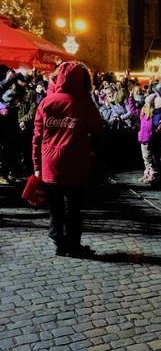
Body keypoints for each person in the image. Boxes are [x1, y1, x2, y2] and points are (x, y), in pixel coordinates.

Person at [32, 62, 103, 257]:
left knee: (55, 206)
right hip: (75, 162)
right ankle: (72, 244)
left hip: (50, 163)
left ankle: (58, 240)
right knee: (73, 207)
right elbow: (97, 129)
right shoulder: (84, 102)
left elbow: (37, 136)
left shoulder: (46, 102)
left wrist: (37, 166)